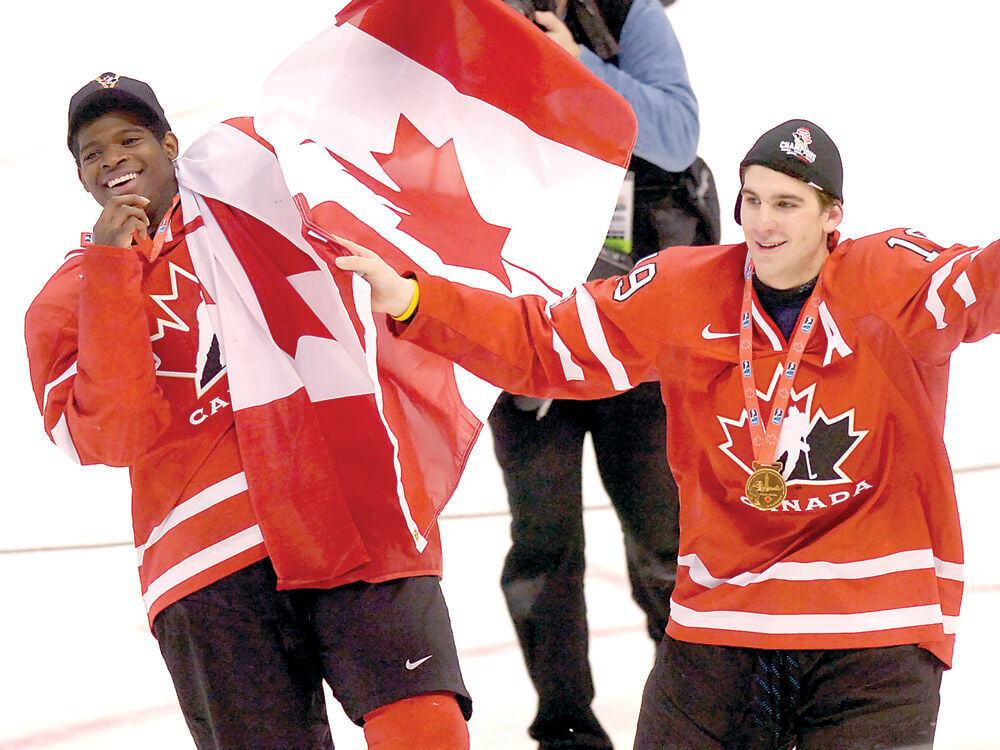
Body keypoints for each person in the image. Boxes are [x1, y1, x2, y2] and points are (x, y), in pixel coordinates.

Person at [334, 117, 991, 748]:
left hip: (871, 629)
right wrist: (418, 302)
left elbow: (981, 285)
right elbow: (548, 342)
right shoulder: (685, 287)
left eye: (788, 204)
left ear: (832, 217)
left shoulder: (891, 278)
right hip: (721, 629)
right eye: (753, 199)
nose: (763, 222)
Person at [24, 73, 472, 750]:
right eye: (92, 152)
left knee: (423, 726)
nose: (112, 157)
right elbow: (115, 436)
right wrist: (113, 273)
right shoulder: (62, 303)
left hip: (344, 496)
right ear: (81, 176)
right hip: (206, 562)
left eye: (129, 138)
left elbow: (359, 122)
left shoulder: (258, 197)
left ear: (170, 142)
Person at [491, 1, 717, 746]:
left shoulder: (627, 14)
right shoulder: (475, 21)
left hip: (637, 335)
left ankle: (686, 722)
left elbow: (678, 140)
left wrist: (579, 67)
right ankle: (565, 733)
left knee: (665, 545)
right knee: (543, 548)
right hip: (528, 333)